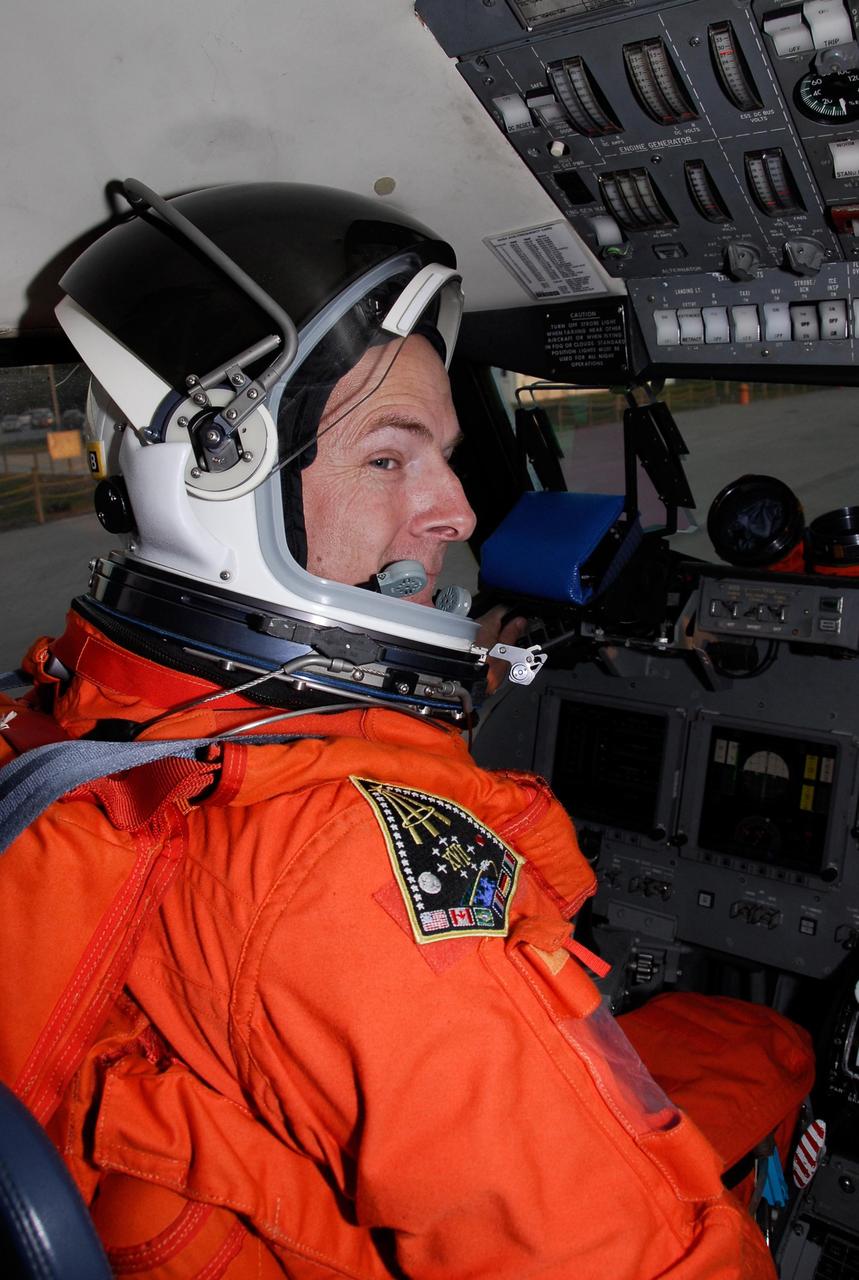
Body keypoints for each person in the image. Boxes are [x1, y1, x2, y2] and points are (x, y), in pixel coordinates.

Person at [0, 180, 813, 1278]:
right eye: (389, 457)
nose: (458, 509)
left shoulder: (77, 719)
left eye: (445, 453)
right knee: (770, 1041)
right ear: (221, 491)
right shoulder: (341, 862)